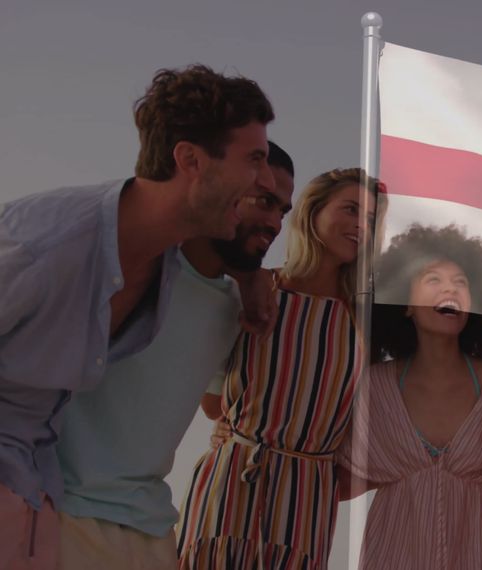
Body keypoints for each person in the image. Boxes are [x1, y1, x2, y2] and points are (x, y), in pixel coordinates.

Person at [0, 64, 275, 570]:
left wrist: (251, 275)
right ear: (190, 159)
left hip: (36, 498)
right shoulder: (43, 245)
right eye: (253, 159)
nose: (262, 179)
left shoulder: (166, 264)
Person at [52, 141, 295, 570]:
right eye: (264, 202)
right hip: (60, 516)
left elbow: (214, 404)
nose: (275, 222)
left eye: (283, 210)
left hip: (150, 528)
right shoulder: (131, 265)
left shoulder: (237, 307)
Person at [176, 168, 382, 569]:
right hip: (230, 488)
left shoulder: (365, 322)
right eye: (351, 209)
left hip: (308, 504)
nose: (361, 225)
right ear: (313, 211)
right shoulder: (256, 290)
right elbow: (213, 403)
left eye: (372, 219)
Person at [339, 224, 482, 569]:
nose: (450, 289)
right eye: (433, 279)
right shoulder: (375, 385)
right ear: (405, 303)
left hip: (473, 555)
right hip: (390, 556)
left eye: (460, 282)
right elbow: (339, 479)